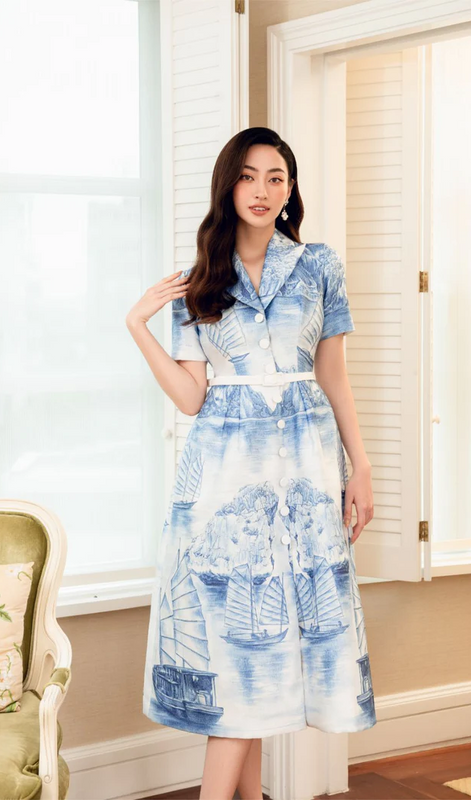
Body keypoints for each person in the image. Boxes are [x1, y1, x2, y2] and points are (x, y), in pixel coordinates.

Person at [126, 126, 376, 800]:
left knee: (270, 652)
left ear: (289, 190)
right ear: (228, 186)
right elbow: (191, 397)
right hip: (223, 477)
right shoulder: (200, 280)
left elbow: (333, 374)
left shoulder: (318, 266)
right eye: (248, 175)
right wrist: (138, 326)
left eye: (276, 177)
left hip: (307, 469)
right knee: (235, 656)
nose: (262, 190)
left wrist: (360, 466)